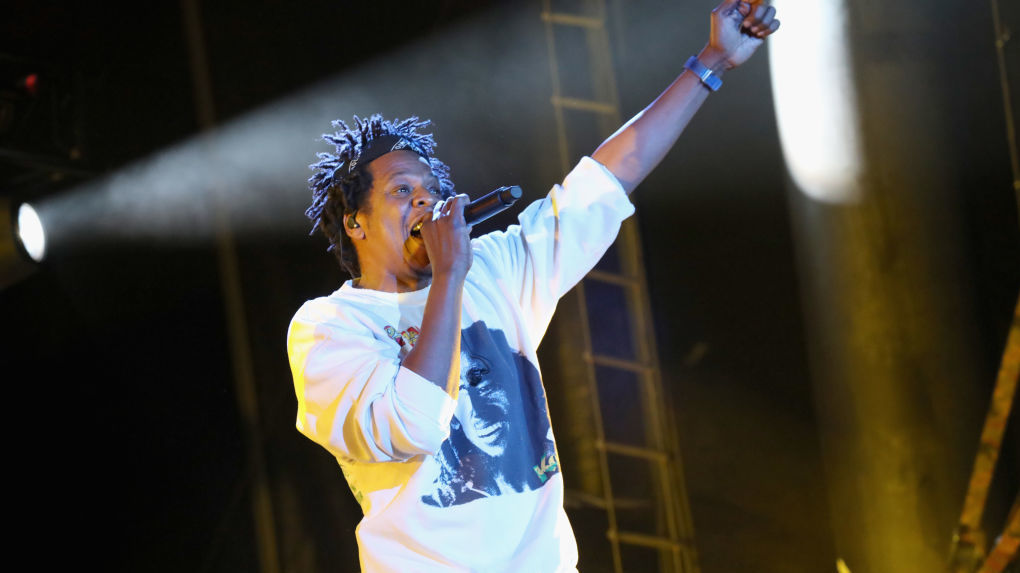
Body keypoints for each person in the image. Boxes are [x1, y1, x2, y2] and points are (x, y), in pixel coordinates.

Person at [287, 2, 779, 571]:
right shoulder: (329, 328)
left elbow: (602, 183)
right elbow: (413, 424)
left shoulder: (493, 269)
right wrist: (449, 274)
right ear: (356, 222)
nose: (424, 198)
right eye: (402, 190)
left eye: (430, 188)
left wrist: (711, 62)